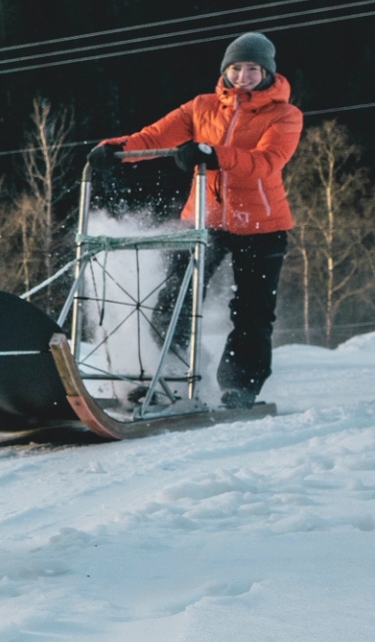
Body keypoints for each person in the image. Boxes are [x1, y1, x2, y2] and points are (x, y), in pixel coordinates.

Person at [112, 31, 301, 407]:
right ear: (225, 70)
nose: (243, 76)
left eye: (252, 68)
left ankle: (239, 387)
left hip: (263, 227)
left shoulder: (285, 114)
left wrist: (213, 154)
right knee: (173, 300)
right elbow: (152, 137)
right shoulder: (202, 107)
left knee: (251, 312)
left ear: (267, 72)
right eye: (236, 68)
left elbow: (267, 163)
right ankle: (169, 377)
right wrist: (114, 149)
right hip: (204, 221)